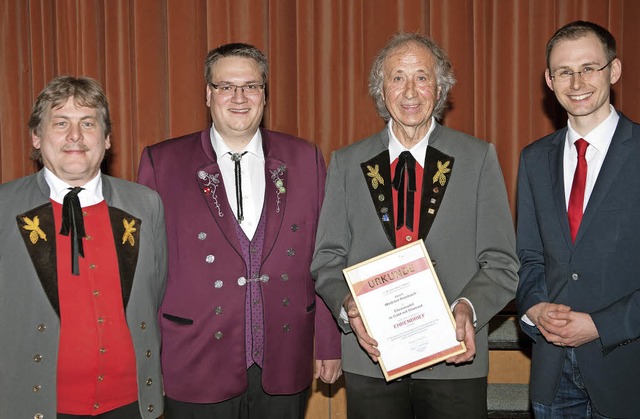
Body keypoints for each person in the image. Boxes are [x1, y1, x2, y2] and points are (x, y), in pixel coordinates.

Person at [312, 32, 519, 419]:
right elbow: (327, 258)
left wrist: (467, 309)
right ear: (381, 89)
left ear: (440, 88)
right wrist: (348, 306)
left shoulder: (478, 158)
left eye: (422, 77)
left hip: (454, 361)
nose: (410, 91)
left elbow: (501, 262)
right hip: (370, 360)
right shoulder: (346, 162)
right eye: (397, 77)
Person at [137, 42, 341, 418]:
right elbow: (145, 274)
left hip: (284, 356)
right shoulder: (161, 162)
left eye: (251, 86)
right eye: (226, 86)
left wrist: (328, 345)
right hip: (193, 359)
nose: (239, 97)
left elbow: (324, 257)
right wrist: (149, 361)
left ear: (264, 94)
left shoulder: (305, 158)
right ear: (208, 94)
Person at [0, 76, 167, 418]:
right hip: (34, 407)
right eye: (60, 123)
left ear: (106, 139)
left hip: (131, 406)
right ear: (36, 137)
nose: (74, 135)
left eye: (87, 123)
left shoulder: (145, 205)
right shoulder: (4, 208)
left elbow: (157, 292)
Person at [516, 20, 640, 418]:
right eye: (564, 72)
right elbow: (529, 257)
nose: (577, 82)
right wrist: (533, 307)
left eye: (589, 67)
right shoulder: (533, 159)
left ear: (614, 70)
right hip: (552, 375)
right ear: (549, 81)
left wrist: (602, 325)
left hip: (626, 369)